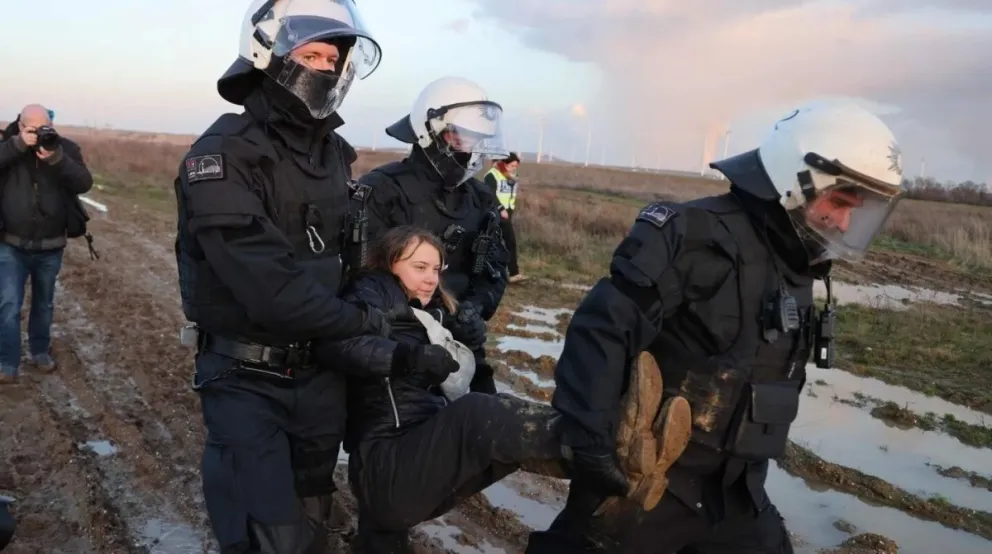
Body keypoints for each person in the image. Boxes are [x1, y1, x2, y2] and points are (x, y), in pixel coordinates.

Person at [524, 100, 907, 553]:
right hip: (649, 483)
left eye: (855, 211)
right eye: (838, 203)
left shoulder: (801, 267)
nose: (843, 222)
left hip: (739, 496)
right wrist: (589, 442)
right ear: (795, 180)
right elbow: (602, 330)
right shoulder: (692, 233)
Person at [315, 225, 692, 553]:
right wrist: (407, 358)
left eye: (436, 269)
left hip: (410, 474)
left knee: (502, 439)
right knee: (478, 415)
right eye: (419, 267)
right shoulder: (372, 290)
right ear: (388, 263)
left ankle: (622, 470)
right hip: (388, 468)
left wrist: (471, 348)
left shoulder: (429, 316)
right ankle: (611, 439)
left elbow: (460, 379)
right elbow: (344, 345)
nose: (431, 278)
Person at [172, 1, 394, 551]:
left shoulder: (335, 157)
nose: (325, 67)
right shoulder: (224, 155)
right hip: (247, 379)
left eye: (333, 57)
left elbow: (355, 259)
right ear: (266, 54)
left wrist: (380, 295)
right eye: (311, 53)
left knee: (313, 520)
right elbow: (269, 287)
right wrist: (365, 319)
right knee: (267, 535)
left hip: (321, 379)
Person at [354, 76, 511, 395]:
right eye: (464, 138)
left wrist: (473, 310)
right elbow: (361, 278)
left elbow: (494, 272)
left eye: (479, 141)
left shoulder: (481, 199)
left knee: (483, 432)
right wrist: (431, 316)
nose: (472, 150)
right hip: (397, 351)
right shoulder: (383, 189)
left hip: (461, 349)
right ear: (433, 134)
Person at [0, 104, 93, 383]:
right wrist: (17, 145)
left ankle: (40, 351)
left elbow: (84, 183)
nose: (40, 133)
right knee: (8, 303)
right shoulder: (8, 147)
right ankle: (7, 363)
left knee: (44, 304)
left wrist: (56, 159)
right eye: (33, 129)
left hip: (51, 245)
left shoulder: (64, 148)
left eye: (45, 128)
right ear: (20, 126)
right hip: (10, 243)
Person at [485, 152, 526, 283]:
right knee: (503, 242)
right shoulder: (492, 175)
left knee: (507, 243)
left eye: (516, 166)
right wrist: (500, 208)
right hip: (496, 213)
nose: (514, 168)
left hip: (508, 212)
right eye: (512, 165)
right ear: (504, 163)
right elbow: (490, 195)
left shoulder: (512, 176)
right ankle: (512, 272)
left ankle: (512, 273)